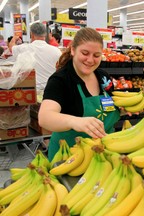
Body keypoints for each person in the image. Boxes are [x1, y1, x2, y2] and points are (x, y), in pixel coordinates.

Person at [38, 27, 120, 161]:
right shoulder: (61, 80)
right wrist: (75, 121)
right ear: (73, 50)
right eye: (85, 53)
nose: (90, 60)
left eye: (96, 55)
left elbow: (107, 109)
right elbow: (44, 117)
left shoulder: (103, 77)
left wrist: (123, 110)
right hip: (70, 156)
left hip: (104, 152)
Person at [9, 22, 62, 91]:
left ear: (32, 34)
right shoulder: (56, 51)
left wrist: (14, 38)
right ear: (45, 34)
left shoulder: (24, 48)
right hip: (51, 90)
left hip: (32, 91)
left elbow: (11, 47)